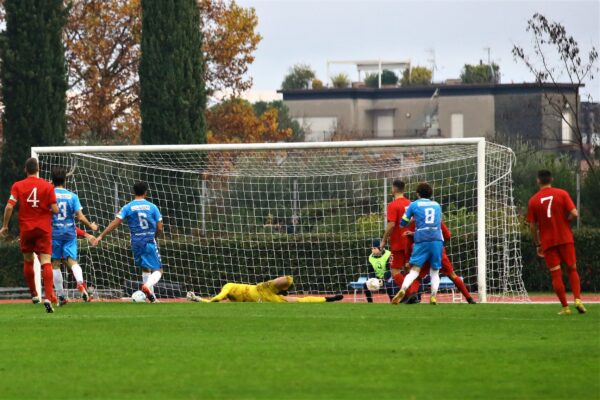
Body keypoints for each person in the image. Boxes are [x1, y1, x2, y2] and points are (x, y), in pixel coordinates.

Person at [0, 158, 59, 313]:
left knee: (28, 259)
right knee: (46, 261)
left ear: (25, 169)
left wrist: (5, 226)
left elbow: (8, 207)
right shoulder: (47, 186)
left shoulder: (18, 186)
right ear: (38, 169)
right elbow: (55, 209)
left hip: (26, 228)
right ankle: (47, 297)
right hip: (43, 229)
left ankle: (33, 294)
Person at [92, 182, 164, 303]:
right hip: (149, 240)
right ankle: (146, 287)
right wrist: (155, 236)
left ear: (133, 192)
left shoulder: (128, 207)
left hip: (136, 242)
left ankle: (152, 298)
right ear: (146, 192)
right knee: (158, 270)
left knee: (145, 268)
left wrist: (100, 236)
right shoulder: (153, 207)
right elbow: (160, 227)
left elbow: (115, 223)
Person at [527, 170, 585, 315]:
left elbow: (532, 226)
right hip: (565, 238)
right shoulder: (562, 193)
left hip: (548, 242)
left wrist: (538, 243)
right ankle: (577, 299)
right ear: (551, 179)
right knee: (572, 269)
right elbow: (574, 213)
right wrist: (567, 221)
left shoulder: (533, 200)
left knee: (556, 274)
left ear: (538, 181)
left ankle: (565, 307)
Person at [50, 167, 98, 305]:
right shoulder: (73, 196)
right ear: (65, 179)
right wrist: (90, 226)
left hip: (54, 233)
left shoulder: (49, 195)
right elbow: (80, 217)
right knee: (73, 261)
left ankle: (61, 296)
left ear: (52, 180)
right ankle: (80, 283)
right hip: (69, 233)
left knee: (55, 264)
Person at [392, 182, 443, 305]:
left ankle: (403, 289)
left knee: (414, 270)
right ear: (430, 193)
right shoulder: (437, 205)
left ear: (418, 194)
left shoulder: (414, 205)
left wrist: (410, 221)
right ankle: (433, 296)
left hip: (421, 239)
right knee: (435, 271)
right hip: (436, 239)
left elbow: (403, 223)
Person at [402, 223, 476, 304]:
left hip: (422, 251)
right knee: (452, 275)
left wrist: (407, 260)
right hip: (438, 250)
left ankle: (413, 294)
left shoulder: (415, 222)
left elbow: (408, 242)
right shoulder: (436, 219)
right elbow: (447, 236)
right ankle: (469, 298)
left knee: (417, 276)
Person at [186, 276, 344, 303]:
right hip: (262, 294)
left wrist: (328, 298)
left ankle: (199, 300)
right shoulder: (229, 288)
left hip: (261, 292)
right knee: (298, 300)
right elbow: (218, 298)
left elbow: (217, 298)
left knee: (289, 281)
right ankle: (327, 299)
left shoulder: (228, 286)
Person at [380, 179, 411, 290]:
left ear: (393, 189)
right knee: (409, 270)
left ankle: (409, 293)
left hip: (398, 243)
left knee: (395, 271)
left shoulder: (393, 205)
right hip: (410, 241)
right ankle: (415, 295)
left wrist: (383, 240)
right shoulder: (411, 204)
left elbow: (391, 224)